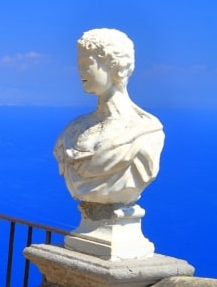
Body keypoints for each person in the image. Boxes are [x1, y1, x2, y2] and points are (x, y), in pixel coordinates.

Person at [53, 28, 164, 206]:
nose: (79, 70)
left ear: (115, 66)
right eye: (78, 63)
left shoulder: (146, 132)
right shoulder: (74, 129)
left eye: (86, 62)